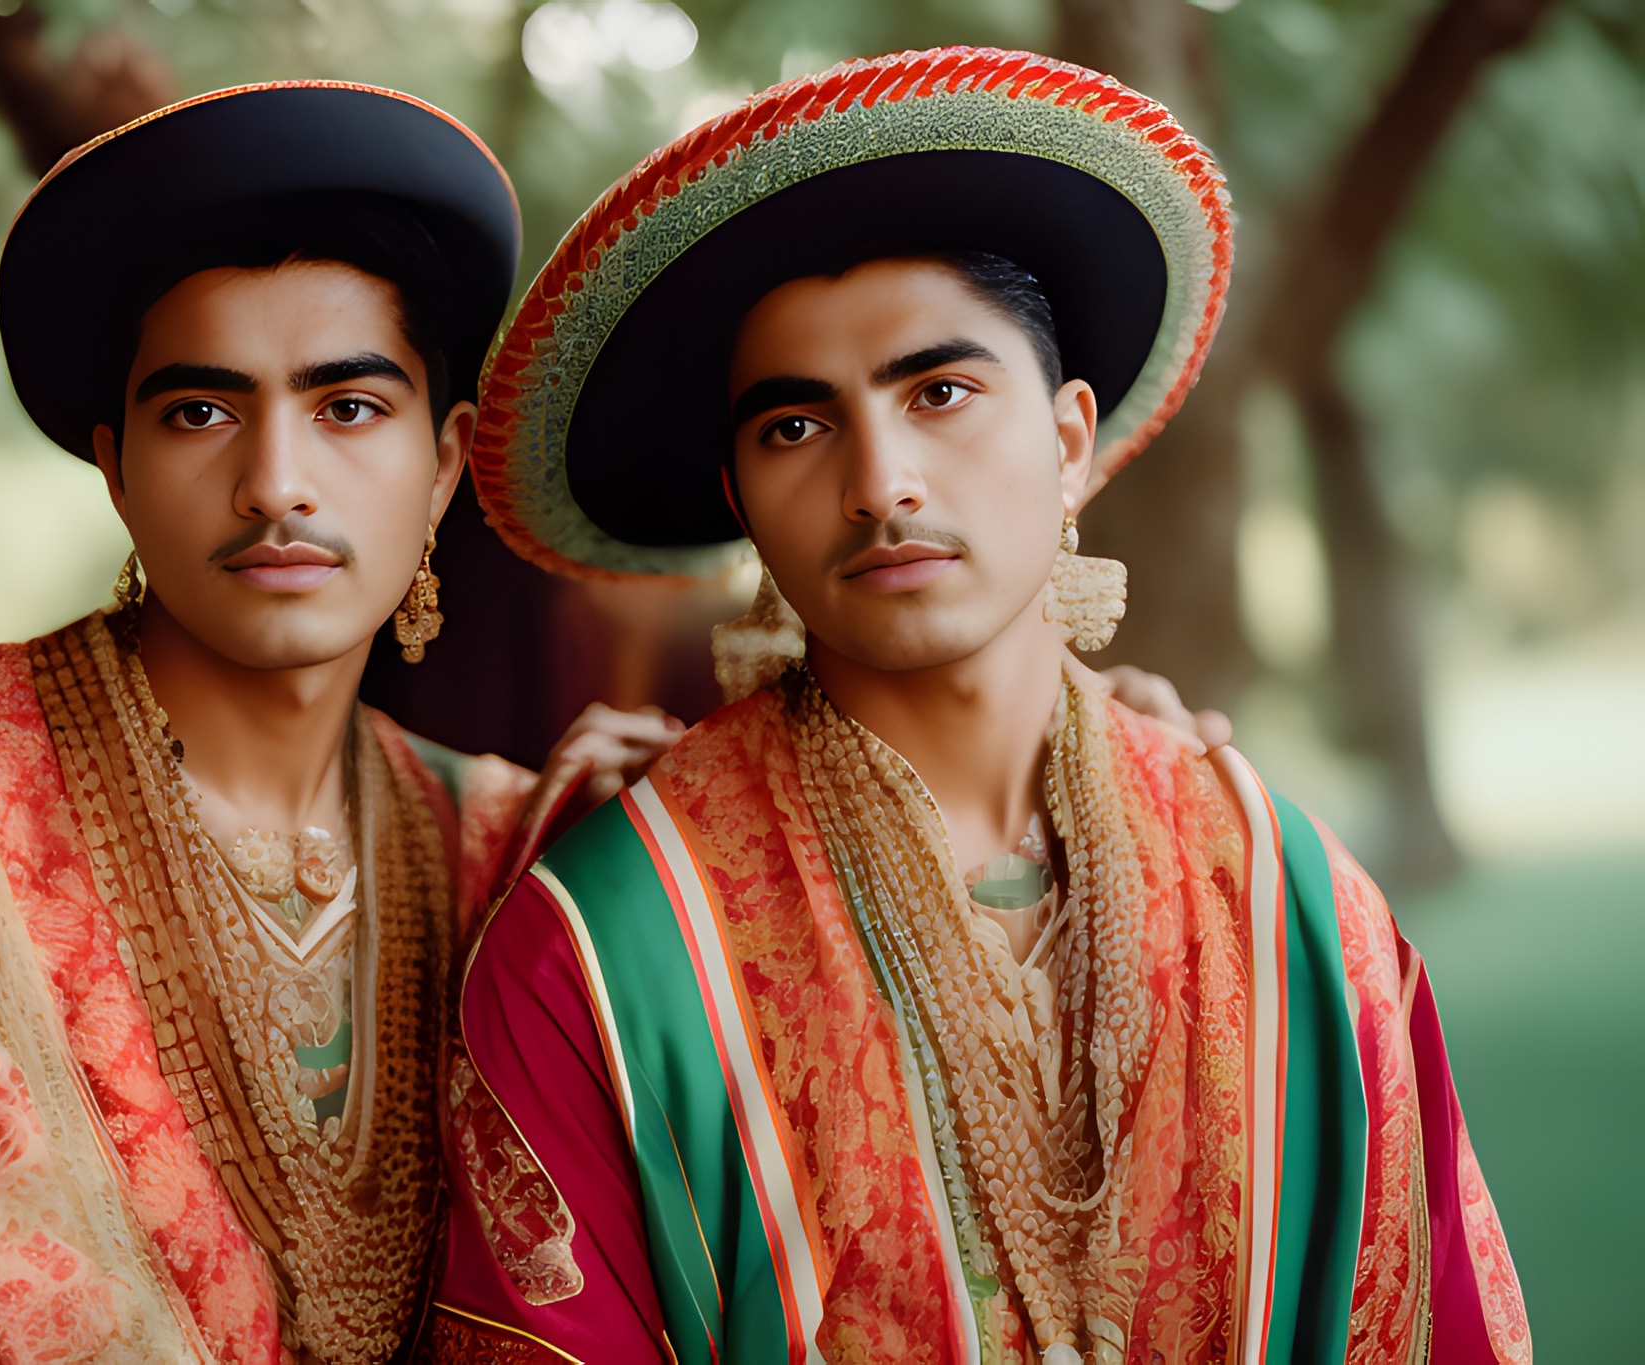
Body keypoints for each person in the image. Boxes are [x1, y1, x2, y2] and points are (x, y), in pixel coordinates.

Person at [429, 48, 1530, 1365]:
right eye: (795, 428)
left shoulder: (1288, 898)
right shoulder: (612, 946)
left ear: (1070, 441)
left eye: (940, 393)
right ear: (736, 503)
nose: (881, 480)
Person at [0, 82, 684, 1363]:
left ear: (442, 462)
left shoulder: (511, 851)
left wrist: (674, 842)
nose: (276, 482)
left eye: (347, 408)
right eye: (202, 412)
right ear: (113, 464)